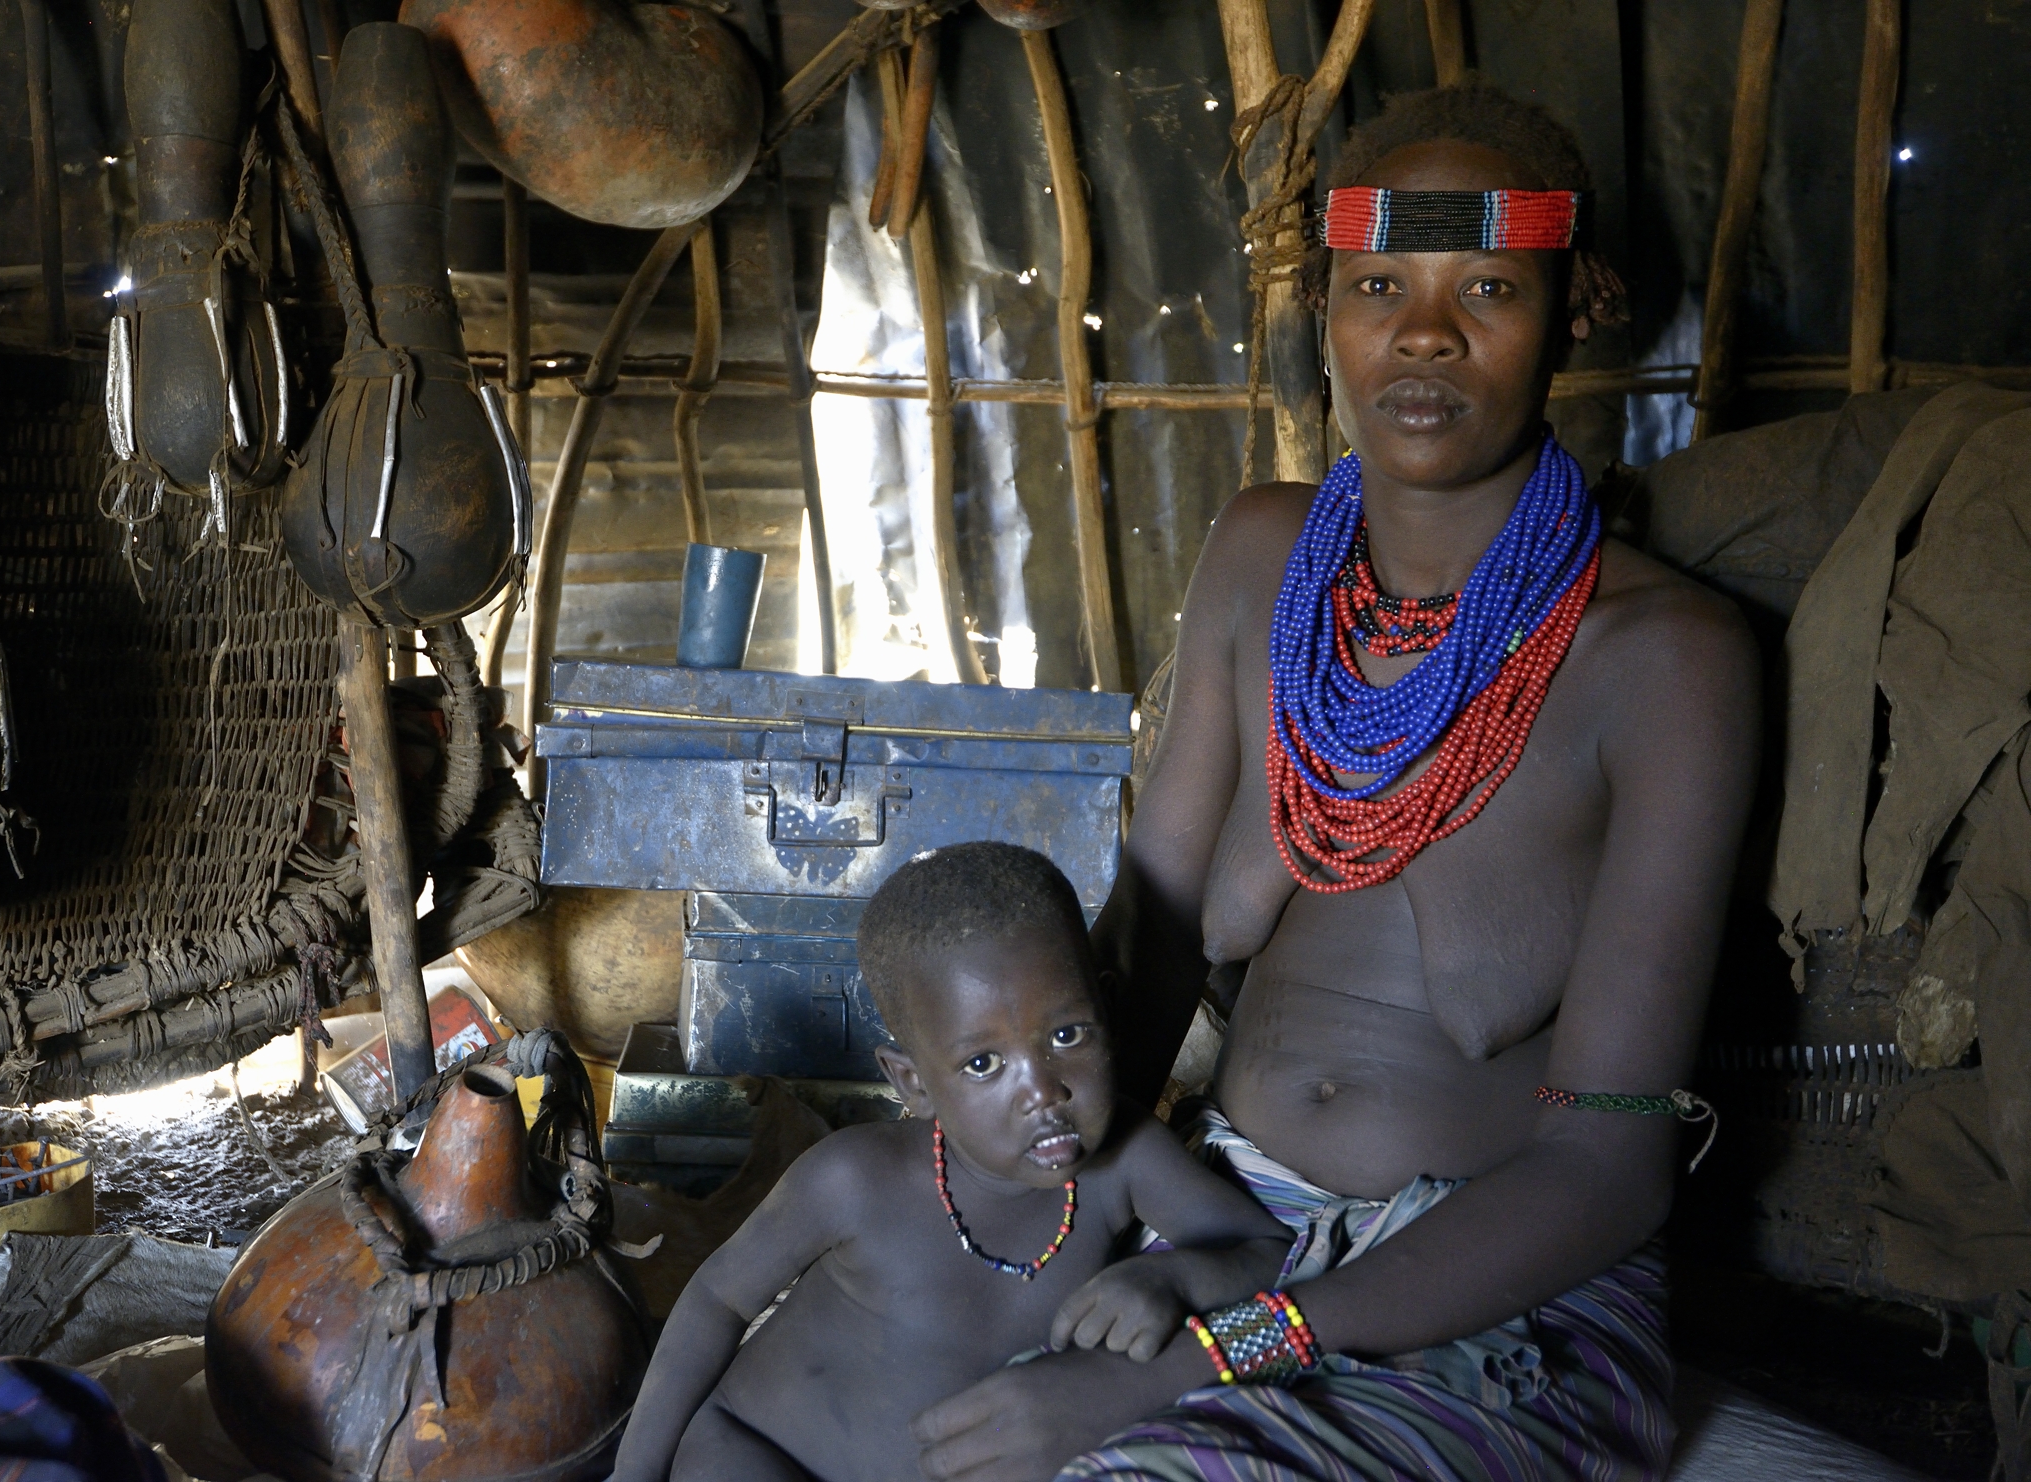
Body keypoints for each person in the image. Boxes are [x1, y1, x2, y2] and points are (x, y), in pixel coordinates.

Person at [908, 82, 1761, 1481]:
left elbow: (1607, 1172)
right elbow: (1148, 951)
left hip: (1486, 1286)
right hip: (1215, 1219)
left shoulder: (1665, 660)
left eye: (1486, 286)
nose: (1423, 332)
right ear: (1323, 309)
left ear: (1577, 305)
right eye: (1378, 285)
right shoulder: (1260, 556)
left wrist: (1200, 1359)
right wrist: (1010, 1210)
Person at [611, 842, 1293, 1482]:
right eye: (983, 1063)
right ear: (912, 1083)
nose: (1042, 1091)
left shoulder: (1129, 1158)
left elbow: (1272, 1254)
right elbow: (717, 1298)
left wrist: (1177, 1277)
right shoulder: (852, 1178)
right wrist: (633, 1473)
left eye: (1066, 1034)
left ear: (1107, 1013)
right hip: (756, 1451)